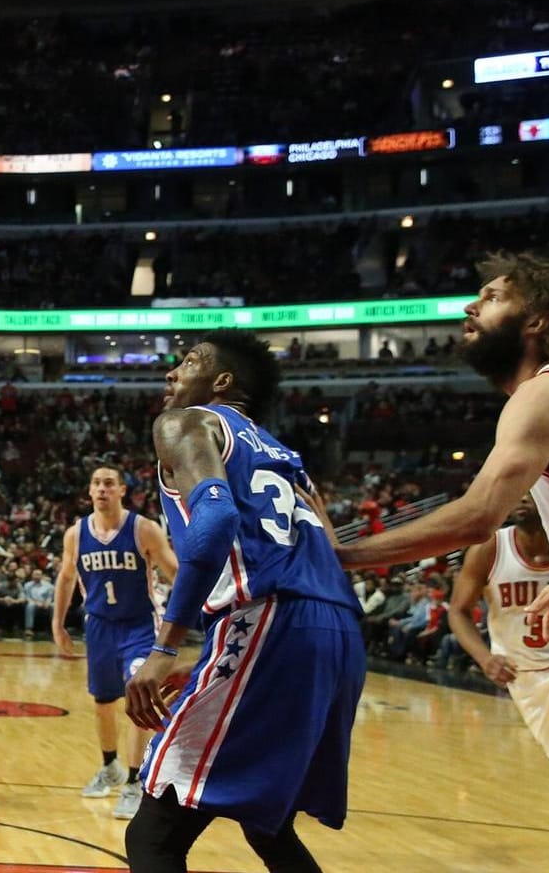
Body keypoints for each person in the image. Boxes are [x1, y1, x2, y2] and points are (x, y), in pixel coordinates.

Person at [336, 253, 549, 870]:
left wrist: (340, 554)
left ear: (538, 320)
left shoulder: (546, 391)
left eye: (493, 296)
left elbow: (479, 516)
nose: (470, 307)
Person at [123, 330, 364, 873]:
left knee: (153, 837)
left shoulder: (186, 422)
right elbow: (327, 545)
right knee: (266, 823)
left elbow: (216, 522)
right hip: (339, 629)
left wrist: (166, 645)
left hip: (269, 619)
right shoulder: (286, 455)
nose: (171, 373)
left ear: (221, 382)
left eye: (187, 363)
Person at [446, 494, 549, 790]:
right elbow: (458, 611)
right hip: (524, 675)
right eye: (519, 489)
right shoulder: (490, 548)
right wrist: (486, 659)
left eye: (532, 491)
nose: (522, 496)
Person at [52, 465, 178, 820]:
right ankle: (110, 768)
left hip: (139, 626)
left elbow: (177, 574)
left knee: (139, 696)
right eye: (96, 483)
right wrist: (58, 623)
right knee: (104, 703)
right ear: (89, 491)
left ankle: (135, 782)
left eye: (109, 483)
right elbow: (65, 579)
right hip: (99, 628)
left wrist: (182, 622)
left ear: (123, 490)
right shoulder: (76, 534)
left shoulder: (144, 529)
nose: (102, 489)